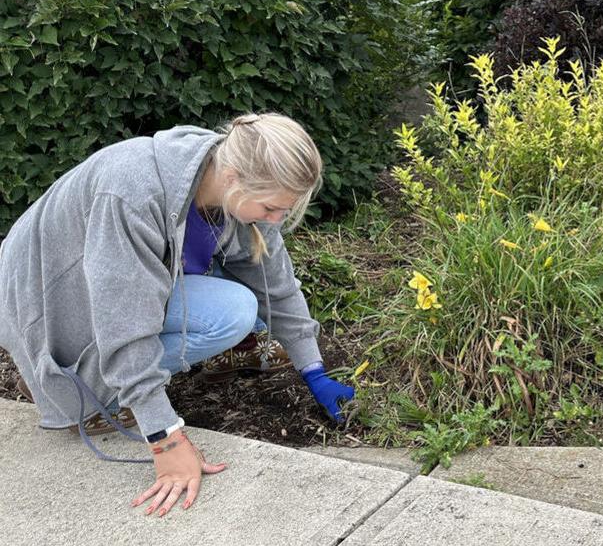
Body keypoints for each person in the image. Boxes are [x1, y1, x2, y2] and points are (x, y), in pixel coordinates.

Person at [0, 113, 356, 517]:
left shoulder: (221, 173)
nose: (275, 220)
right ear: (235, 176)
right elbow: (124, 319)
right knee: (232, 311)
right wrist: (165, 439)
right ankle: (84, 387)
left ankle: (152, 370)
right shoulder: (135, 192)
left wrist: (313, 368)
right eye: (272, 207)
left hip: (108, 282)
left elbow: (275, 282)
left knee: (249, 296)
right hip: (46, 304)